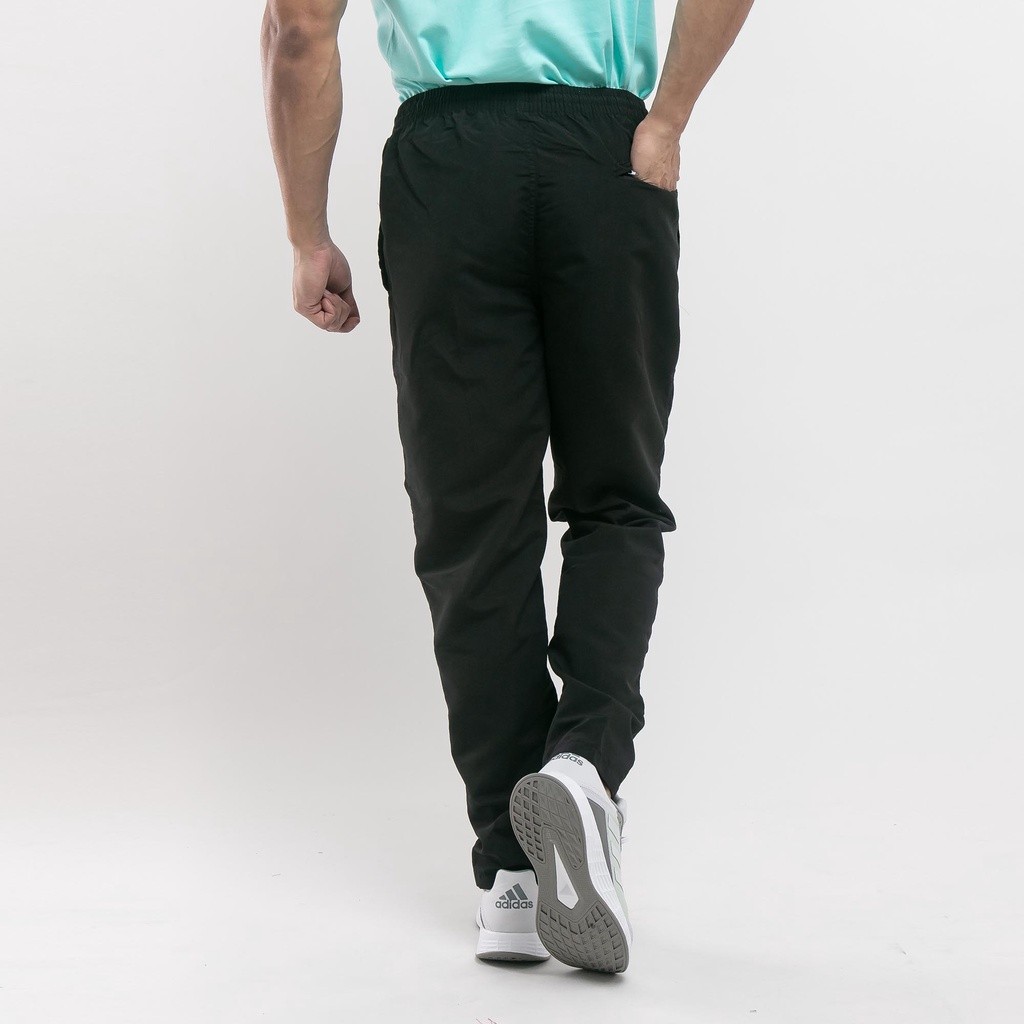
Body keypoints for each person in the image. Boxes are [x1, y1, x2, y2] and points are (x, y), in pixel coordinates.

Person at [261, 0, 754, 975]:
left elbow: (299, 27)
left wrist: (306, 235)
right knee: (614, 496)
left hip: (447, 168)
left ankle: (514, 876)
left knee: (471, 526)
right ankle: (582, 766)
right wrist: (666, 118)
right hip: (606, 155)